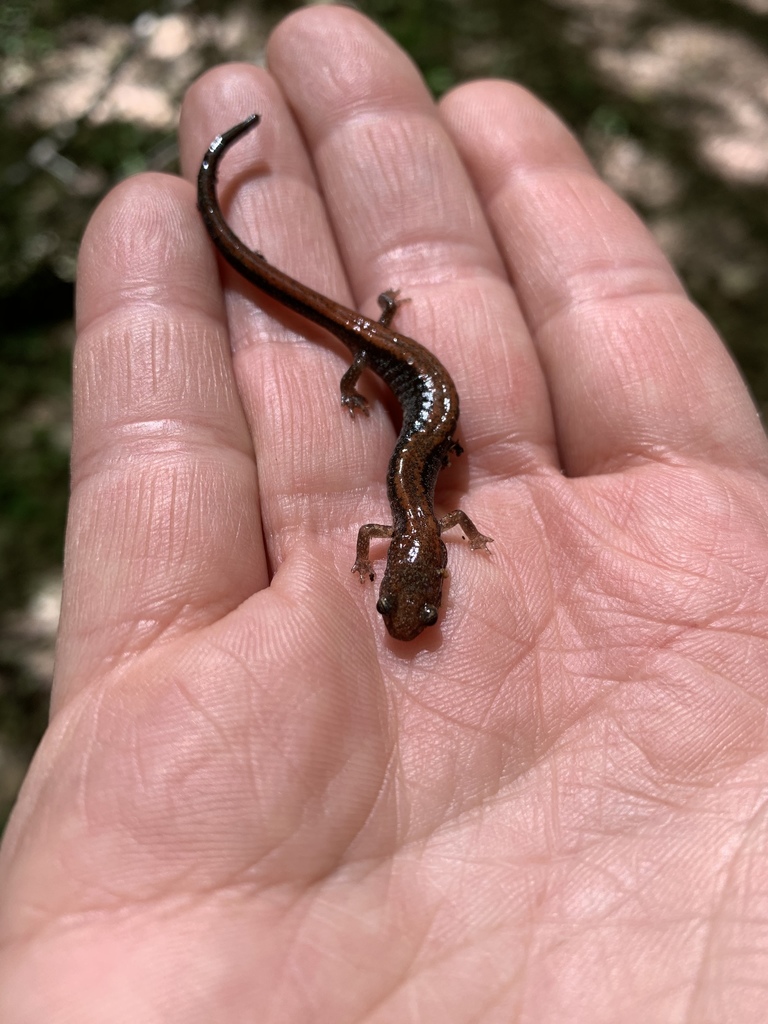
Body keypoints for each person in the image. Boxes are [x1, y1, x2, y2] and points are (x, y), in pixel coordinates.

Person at [2, 6, 767, 1021]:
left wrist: (399, 525)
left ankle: (248, 212)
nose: (403, 603)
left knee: (366, 366)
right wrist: (378, 385)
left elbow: (389, 529)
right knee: (333, 332)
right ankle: (225, 198)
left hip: (406, 376)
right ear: (427, 565)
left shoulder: (409, 516)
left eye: (404, 600)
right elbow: (400, 524)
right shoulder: (417, 514)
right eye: (411, 599)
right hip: (400, 368)